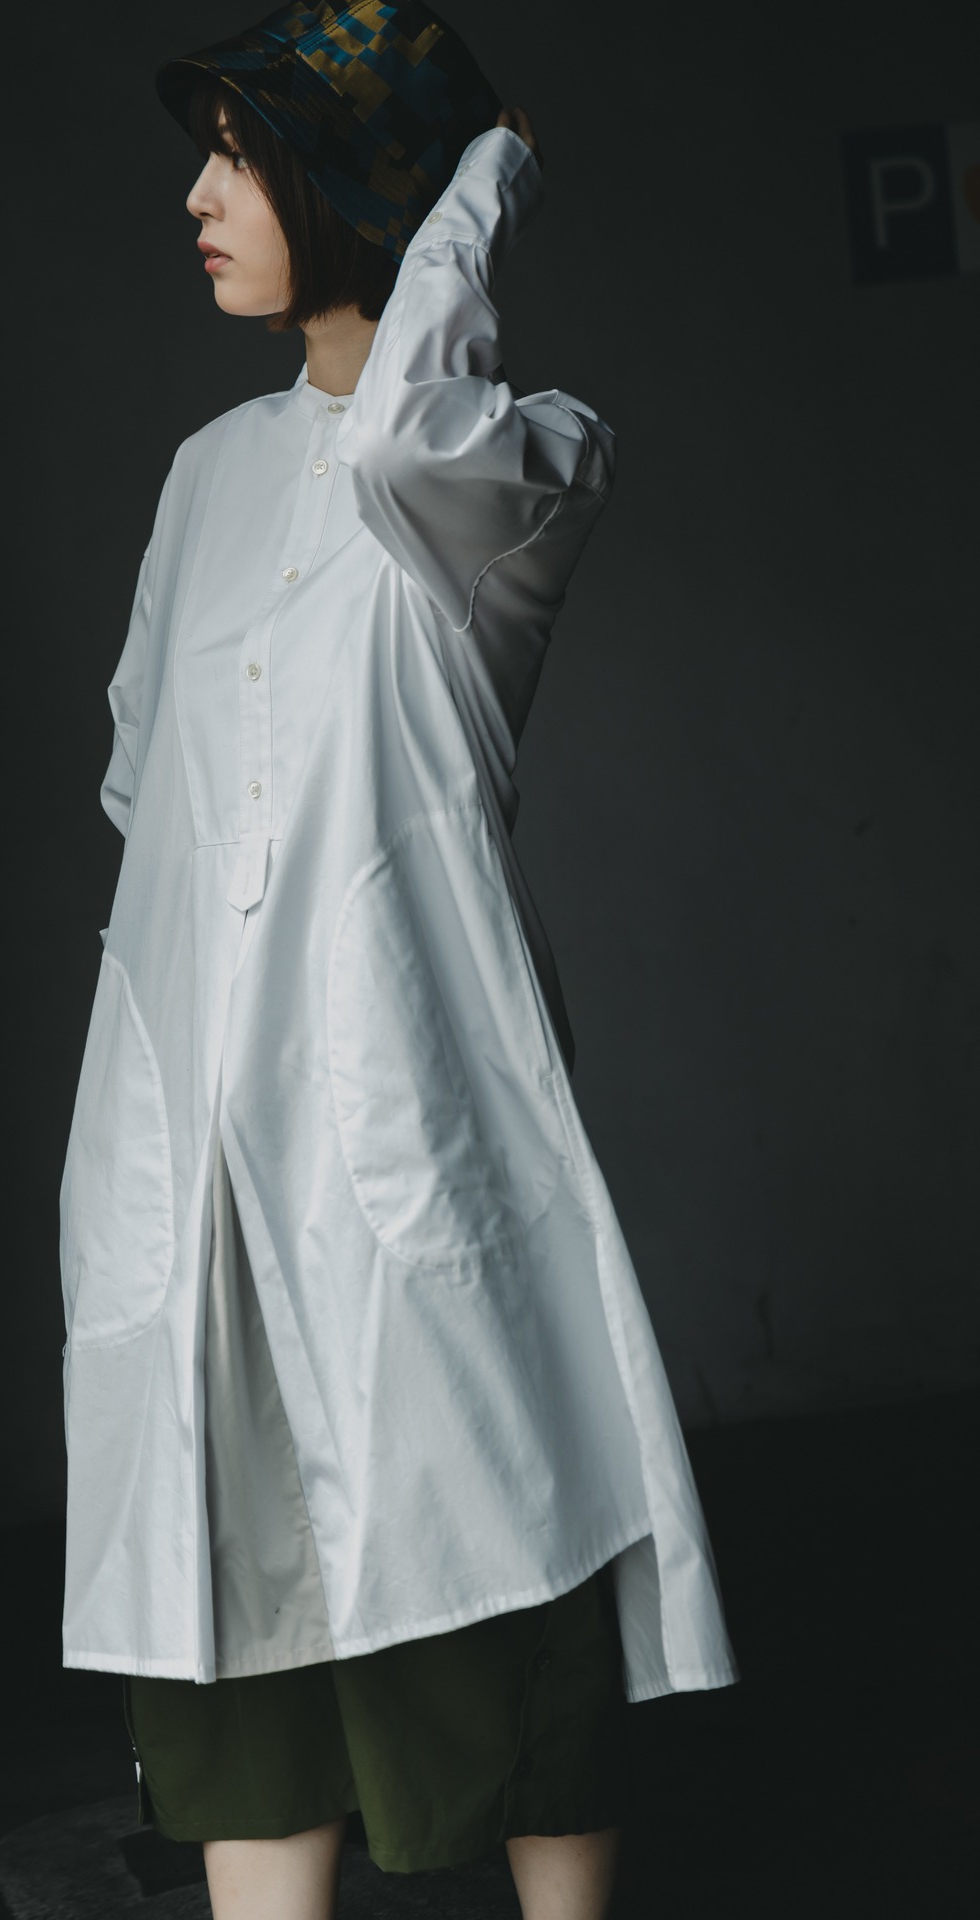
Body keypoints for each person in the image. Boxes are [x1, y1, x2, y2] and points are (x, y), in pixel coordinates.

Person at [58, 7, 739, 1917]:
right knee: (234, 1601)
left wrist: (481, 174)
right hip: (200, 1144)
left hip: (396, 1121)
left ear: (364, 191)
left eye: (240, 155)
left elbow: (408, 427)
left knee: (491, 1562)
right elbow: (150, 785)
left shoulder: (503, 467)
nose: (197, 198)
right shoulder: (206, 476)